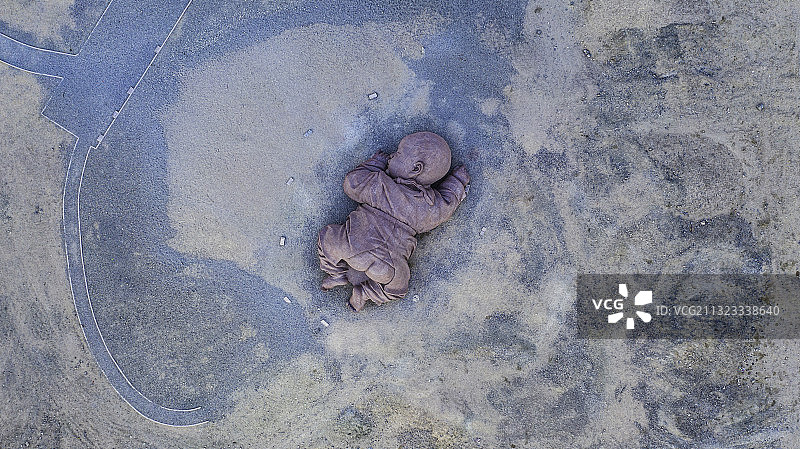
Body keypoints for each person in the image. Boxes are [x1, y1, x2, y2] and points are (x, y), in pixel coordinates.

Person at [317, 131, 470, 311]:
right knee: (398, 287)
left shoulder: (380, 184)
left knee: (328, 236)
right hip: (387, 267)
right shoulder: (430, 208)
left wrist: (375, 163)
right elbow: (448, 203)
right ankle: (365, 293)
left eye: (397, 154)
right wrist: (458, 181)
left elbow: (352, 183)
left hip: (352, 246)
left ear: (415, 169)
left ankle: (336, 273)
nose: (391, 157)